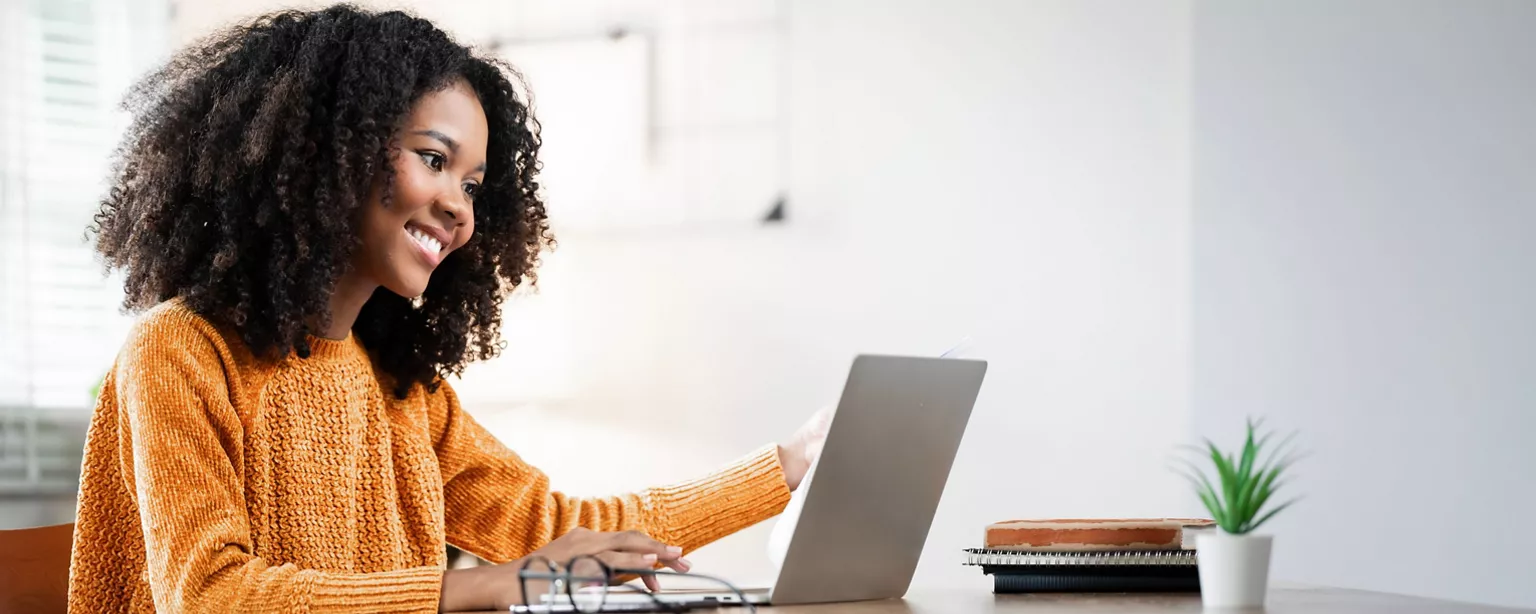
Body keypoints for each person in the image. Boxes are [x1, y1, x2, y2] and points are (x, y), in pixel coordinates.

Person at [67, 5, 830, 613]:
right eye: (435, 160)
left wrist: (787, 466)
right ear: (330, 151)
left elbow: (556, 530)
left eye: (472, 185)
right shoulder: (178, 350)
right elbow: (212, 598)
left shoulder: (404, 392)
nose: (460, 211)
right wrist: (490, 585)